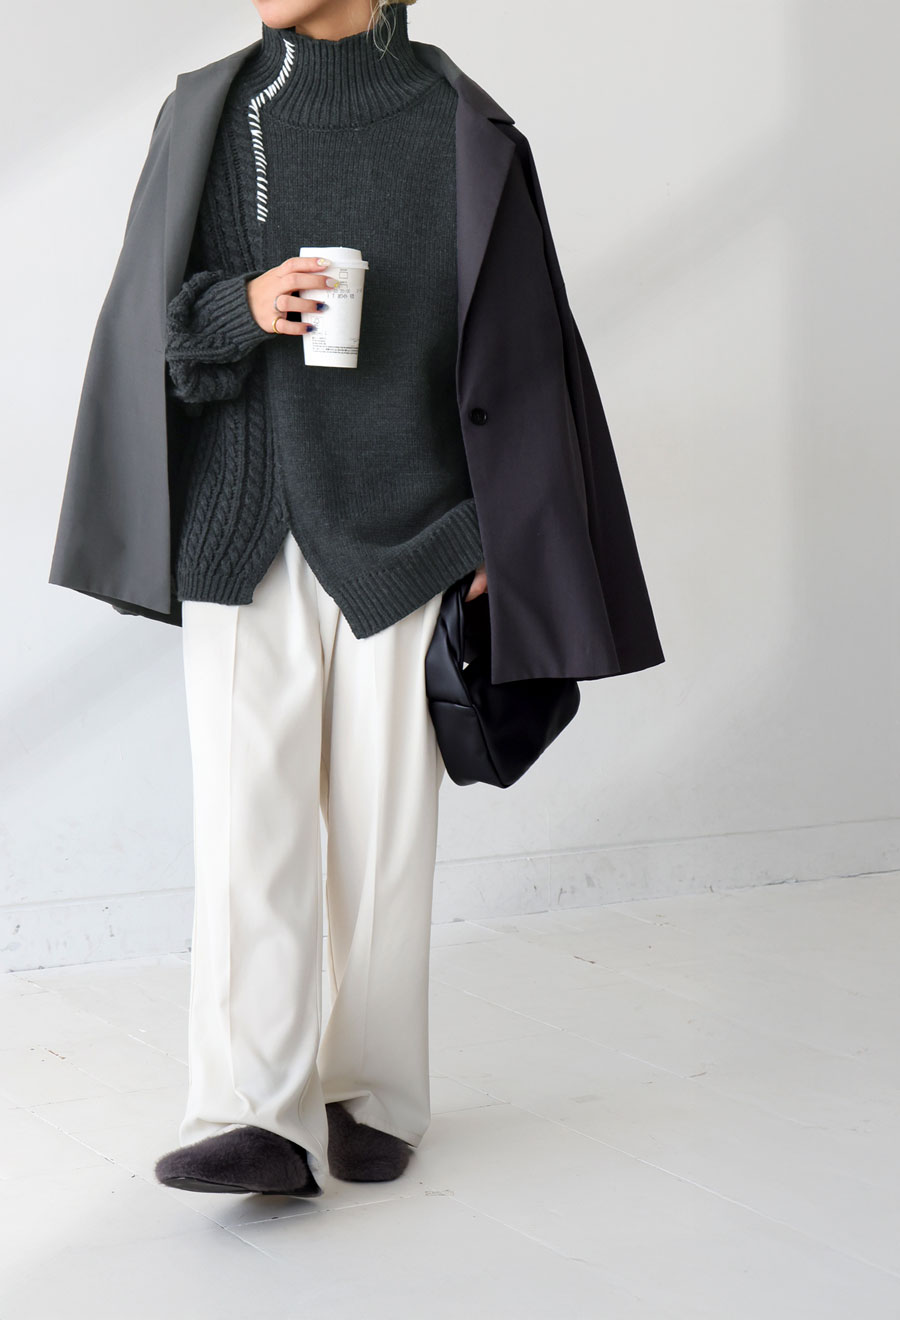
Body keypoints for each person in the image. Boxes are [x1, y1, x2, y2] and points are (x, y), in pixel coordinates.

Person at [152, 0, 490, 1198]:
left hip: (412, 529)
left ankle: (372, 1093)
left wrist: (504, 528)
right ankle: (253, 1111)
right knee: (249, 826)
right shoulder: (214, 111)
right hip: (245, 524)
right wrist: (243, 309)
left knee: (388, 836)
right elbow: (156, 329)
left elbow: (510, 349)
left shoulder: (461, 124)